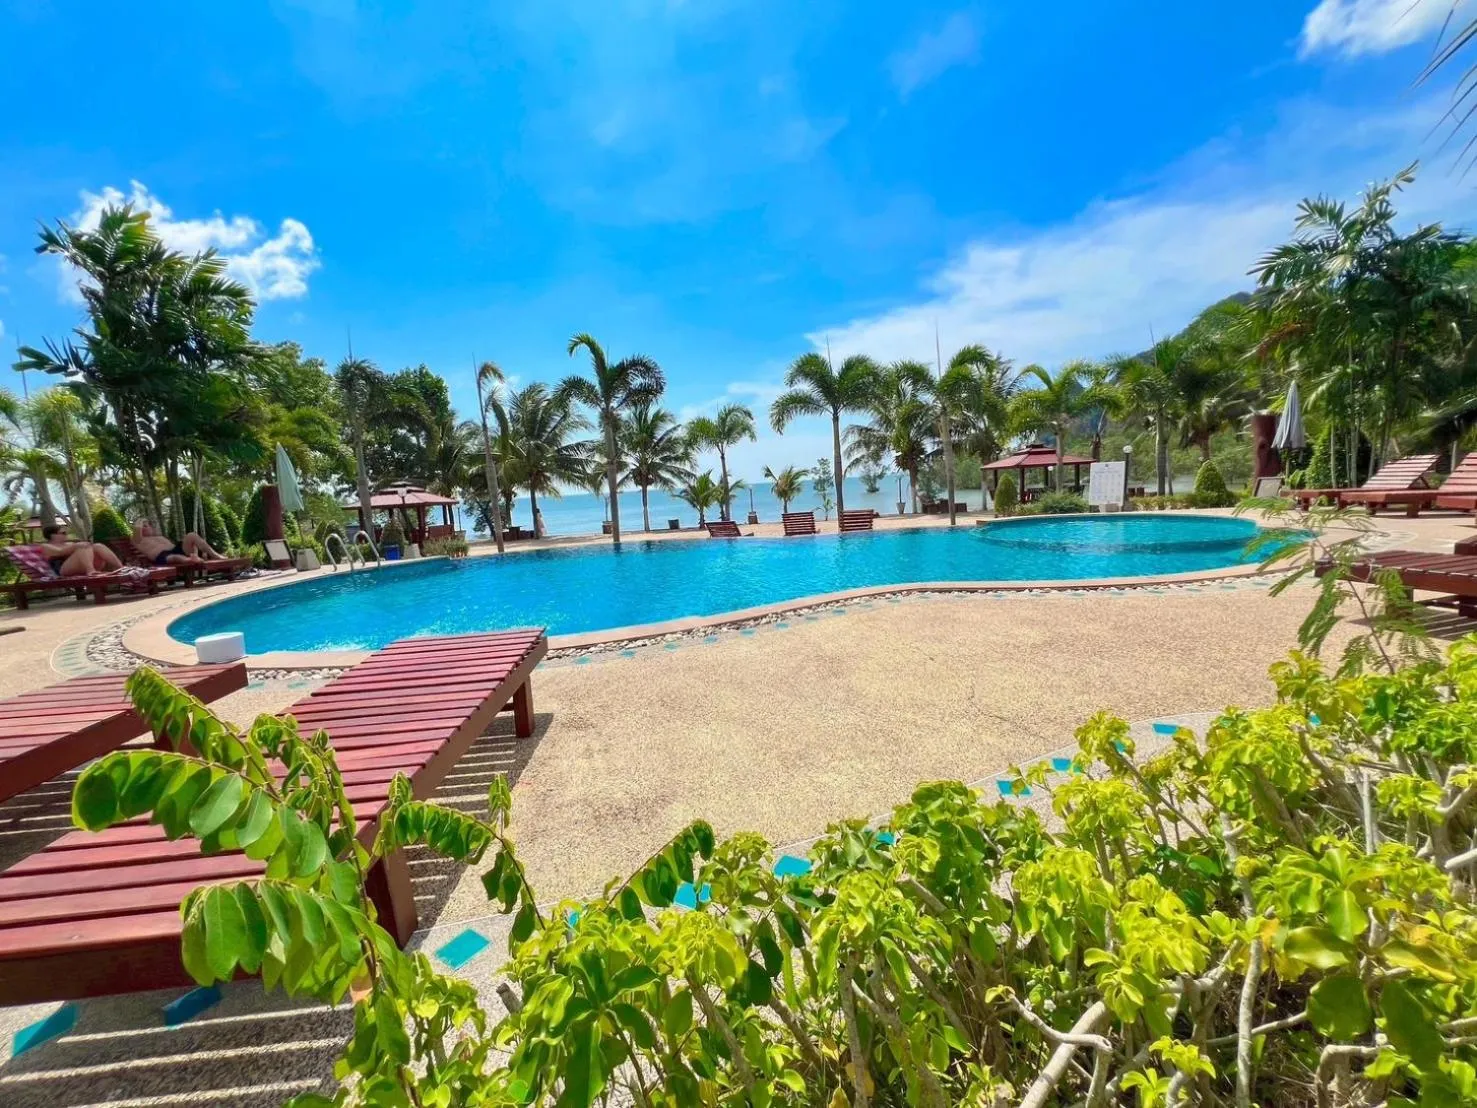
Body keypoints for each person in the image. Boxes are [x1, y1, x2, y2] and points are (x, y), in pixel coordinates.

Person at [38, 524, 124, 577]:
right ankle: (91, 570)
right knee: (83, 546)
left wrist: (79, 545)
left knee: (98, 546)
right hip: (62, 570)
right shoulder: (46, 546)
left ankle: (121, 568)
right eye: (63, 533)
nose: (66, 535)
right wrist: (77, 545)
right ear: (53, 535)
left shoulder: (69, 544)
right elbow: (60, 552)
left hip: (80, 567)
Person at [132, 521, 226, 567]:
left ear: (151, 528)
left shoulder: (159, 537)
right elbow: (137, 530)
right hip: (162, 556)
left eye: (146, 526)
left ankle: (215, 555)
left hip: (176, 549)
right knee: (176, 557)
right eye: (142, 527)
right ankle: (191, 560)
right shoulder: (138, 540)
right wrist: (140, 521)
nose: (143, 528)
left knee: (191, 535)